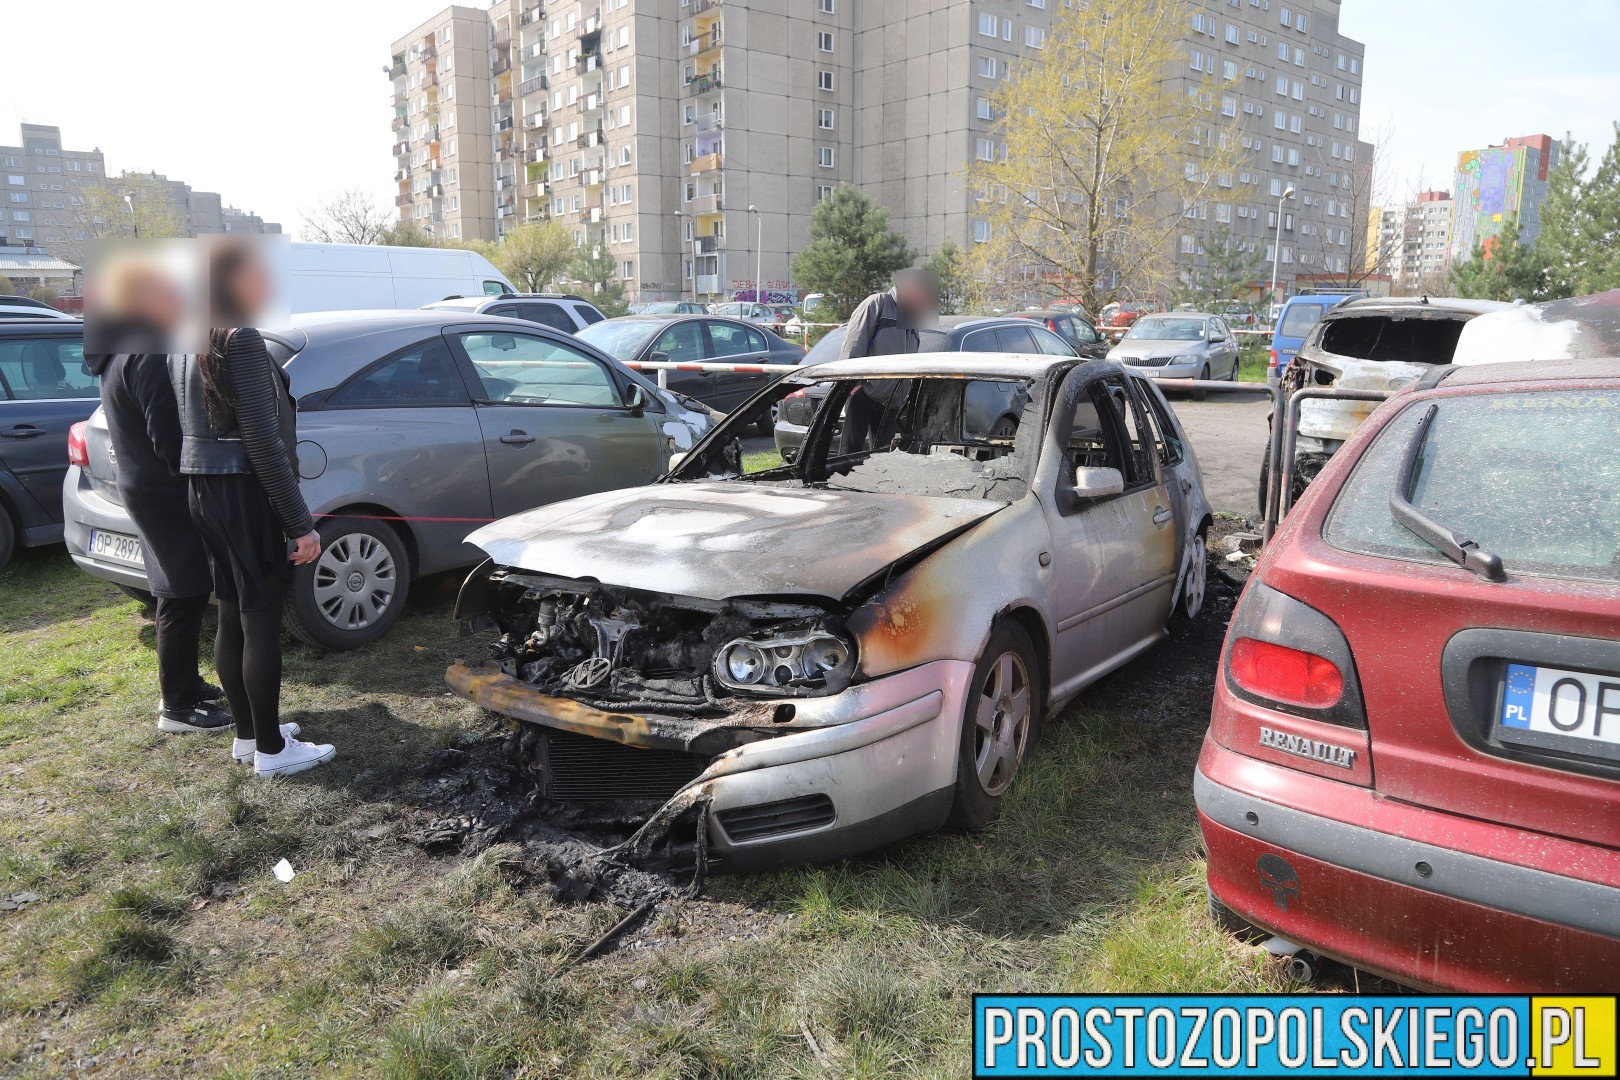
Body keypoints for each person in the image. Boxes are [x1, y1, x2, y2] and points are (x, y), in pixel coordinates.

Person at [175, 238, 334, 777]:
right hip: (242, 492)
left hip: (206, 490)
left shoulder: (190, 336)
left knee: (232, 611)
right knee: (259, 616)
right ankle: (271, 750)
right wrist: (300, 524)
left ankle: (249, 736)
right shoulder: (239, 338)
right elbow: (262, 442)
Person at [86, 256, 234, 735]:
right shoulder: (147, 351)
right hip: (163, 488)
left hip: (143, 483)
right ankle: (178, 707)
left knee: (178, 587)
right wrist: (197, 483)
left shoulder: (121, 347)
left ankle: (187, 684)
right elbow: (167, 435)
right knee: (182, 591)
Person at [837, 267, 940, 453]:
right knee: (849, 455)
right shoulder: (877, 304)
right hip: (864, 396)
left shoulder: (912, 318)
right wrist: (851, 386)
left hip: (892, 404)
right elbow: (853, 344)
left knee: (882, 460)